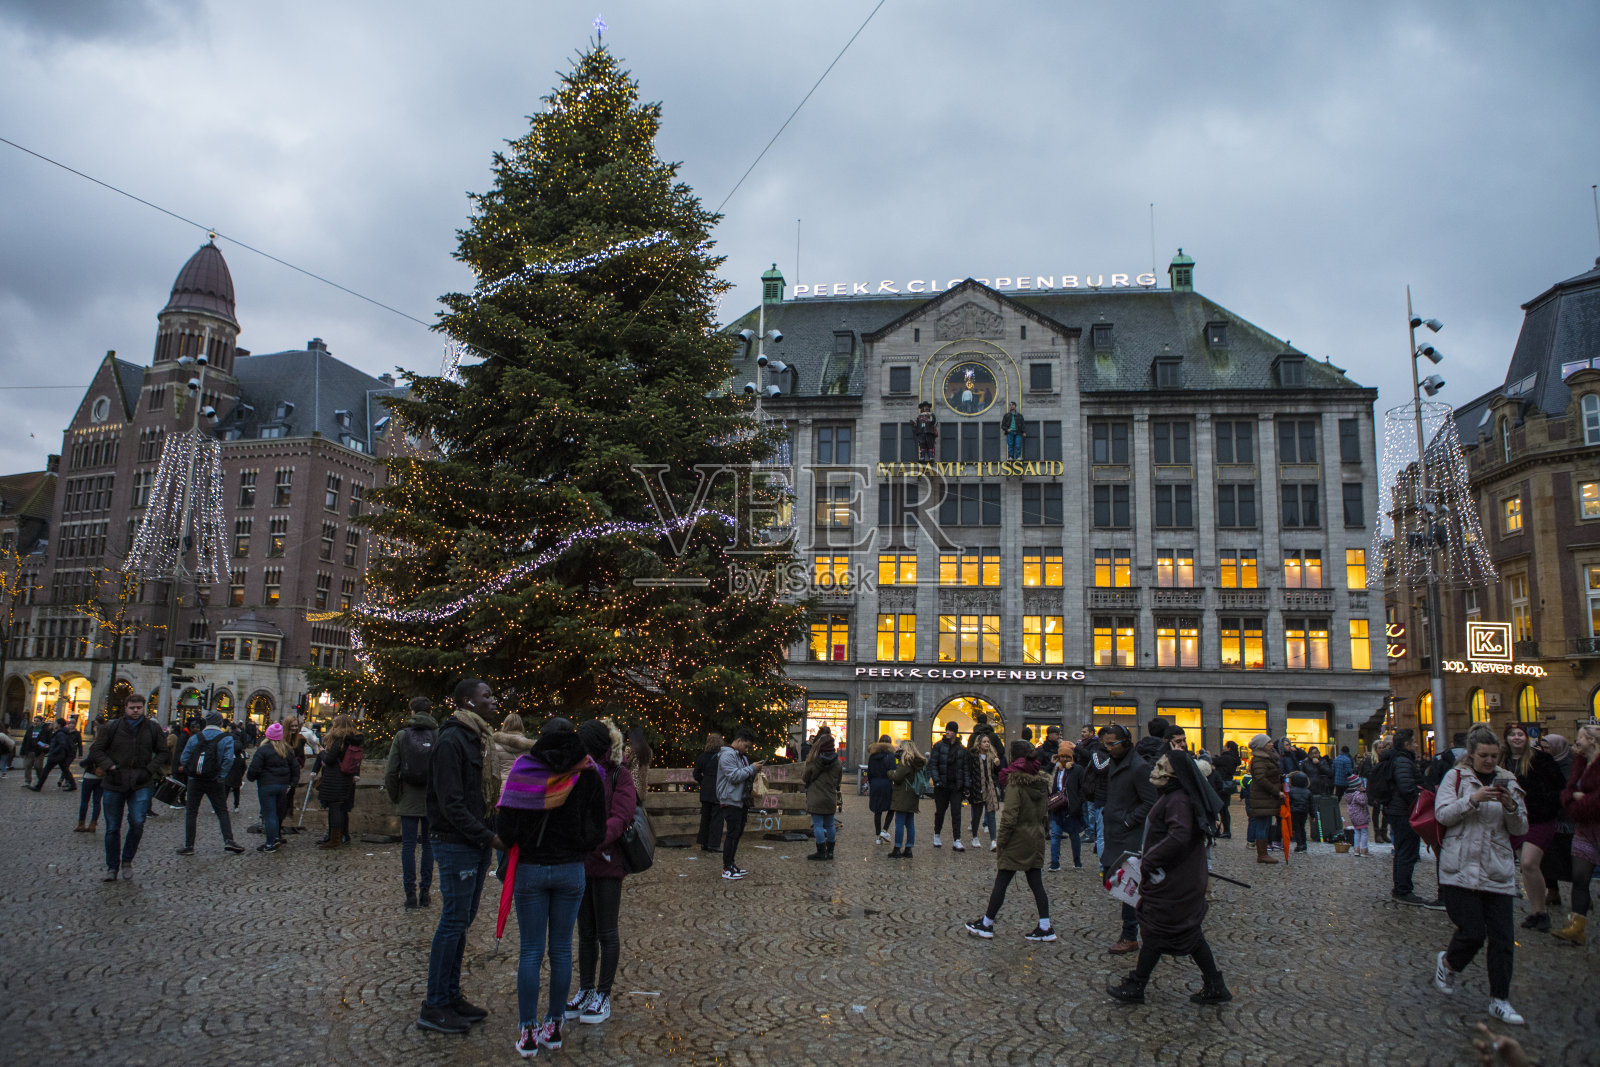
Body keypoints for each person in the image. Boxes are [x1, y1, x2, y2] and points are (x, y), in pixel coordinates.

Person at [498, 717, 606, 1055]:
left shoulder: (524, 768)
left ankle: (528, 1032)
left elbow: (505, 829)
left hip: (531, 868)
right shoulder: (587, 772)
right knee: (561, 951)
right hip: (571, 870)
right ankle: (554, 1026)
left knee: (531, 951)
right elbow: (598, 828)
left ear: (540, 739)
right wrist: (579, 844)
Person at [1107, 748, 1231, 1005]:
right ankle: (1213, 984)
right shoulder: (1173, 796)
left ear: (1177, 775)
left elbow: (1179, 835)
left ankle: (1137, 984)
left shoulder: (1178, 800)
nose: (1156, 772)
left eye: (1163, 768)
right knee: (1176, 930)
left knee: (1159, 927)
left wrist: (1151, 859)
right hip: (1175, 876)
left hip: (1173, 878)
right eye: (1157, 766)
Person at [417, 678, 504, 1035]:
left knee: (462, 922)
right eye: (487, 696)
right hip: (455, 842)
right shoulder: (452, 740)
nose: (494, 700)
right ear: (468, 702)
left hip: (475, 842)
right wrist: (488, 836)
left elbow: (480, 795)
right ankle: (434, 1004)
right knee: (452, 922)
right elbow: (451, 802)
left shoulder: (478, 739)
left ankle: (451, 996)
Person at [1432, 724, 1528, 1026]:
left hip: (1496, 868)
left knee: (1502, 939)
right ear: (1471, 754)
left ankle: (1500, 1000)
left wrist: (1510, 806)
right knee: (1473, 932)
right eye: (1483, 755)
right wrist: (1473, 800)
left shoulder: (1509, 782)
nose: (1489, 761)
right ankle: (1448, 962)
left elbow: (1521, 828)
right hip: (1458, 867)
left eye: (1493, 756)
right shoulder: (1456, 777)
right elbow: (1443, 814)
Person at [566, 718, 636, 1027]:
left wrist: (592, 838)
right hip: (581, 861)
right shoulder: (579, 771)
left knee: (607, 932)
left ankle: (603, 994)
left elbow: (621, 817)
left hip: (607, 861)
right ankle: (585, 989)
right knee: (585, 933)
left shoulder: (619, 775)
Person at [966, 740, 1054, 940]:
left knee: (1002, 880)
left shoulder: (1016, 782)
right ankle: (1045, 926)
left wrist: (1001, 841)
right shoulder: (1041, 782)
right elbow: (1044, 814)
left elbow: (1009, 817)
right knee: (1036, 882)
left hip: (1017, 839)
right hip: (1035, 837)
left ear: (1014, 757)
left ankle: (987, 924)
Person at [87, 694, 167, 881]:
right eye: (132, 707)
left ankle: (127, 861)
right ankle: (112, 866)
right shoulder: (111, 728)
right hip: (114, 781)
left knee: (138, 822)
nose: (136, 711)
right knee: (112, 827)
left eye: (139, 707)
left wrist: (149, 770)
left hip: (141, 781)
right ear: (126, 708)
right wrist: (109, 766)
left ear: (144, 708)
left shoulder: (152, 728)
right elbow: (96, 750)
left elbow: (163, 752)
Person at [1501, 722, 1565, 932]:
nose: (1517, 738)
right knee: (1527, 867)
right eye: (1512, 735)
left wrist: (1547, 804)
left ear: (1527, 738)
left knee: (1529, 863)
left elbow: (1558, 785)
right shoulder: (1502, 761)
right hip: (1515, 819)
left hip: (1539, 819)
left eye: (1520, 734)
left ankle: (1542, 912)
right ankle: (1537, 911)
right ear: (1507, 738)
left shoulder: (1540, 759)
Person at [1101, 722, 1158, 954]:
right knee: (1113, 878)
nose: (1107, 749)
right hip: (1115, 832)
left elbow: (1150, 801)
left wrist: (1128, 820)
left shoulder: (1138, 767)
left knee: (1129, 886)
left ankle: (1130, 935)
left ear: (1125, 744)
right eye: (1105, 744)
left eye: (1111, 744)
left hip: (1129, 836)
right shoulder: (1116, 763)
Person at [385, 697, 438, 906]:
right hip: (431, 799)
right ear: (430, 712)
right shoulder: (438, 735)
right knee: (428, 845)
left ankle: (410, 894)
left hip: (408, 797)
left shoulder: (401, 735)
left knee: (408, 846)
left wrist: (396, 795)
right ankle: (425, 892)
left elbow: (391, 771)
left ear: (413, 713)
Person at [1552, 723, 1600, 947]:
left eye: (1579, 737)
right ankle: (1577, 927)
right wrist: (1576, 799)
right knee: (1579, 878)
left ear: (1592, 740)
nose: (1576, 742)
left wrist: (1582, 800)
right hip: (1584, 828)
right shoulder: (1579, 763)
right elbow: (1568, 792)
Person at [176, 711, 244, 855]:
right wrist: (221, 775)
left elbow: (184, 758)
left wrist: (191, 771)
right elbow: (228, 759)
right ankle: (228, 840)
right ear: (220, 723)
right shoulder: (226, 738)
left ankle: (189, 845)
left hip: (195, 780)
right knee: (221, 811)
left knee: (191, 812)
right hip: (215, 780)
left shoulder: (196, 737)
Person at [1384, 728, 1429, 905]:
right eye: (1414, 742)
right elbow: (1406, 787)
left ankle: (1401, 887)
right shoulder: (1402, 761)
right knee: (1406, 851)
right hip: (1403, 811)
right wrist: (1419, 798)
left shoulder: (1398, 758)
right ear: (1406, 744)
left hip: (1399, 810)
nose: (1417, 745)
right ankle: (1403, 889)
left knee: (1403, 850)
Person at [714, 727, 764, 880]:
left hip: (740, 800)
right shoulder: (727, 756)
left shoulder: (741, 756)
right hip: (730, 800)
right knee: (732, 833)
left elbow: (743, 774)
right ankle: (726, 867)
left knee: (737, 833)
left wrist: (753, 770)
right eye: (746, 745)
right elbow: (734, 776)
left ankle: (732, 864)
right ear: (739, 740)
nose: (747, 749)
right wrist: (751, 768)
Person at [247, 721, 299, 853]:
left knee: (270, 814)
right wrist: (291, 784)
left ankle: (270, 842)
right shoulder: (287, 750)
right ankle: (275, 837)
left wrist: (252, 777)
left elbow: (254, 770)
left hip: (267, 786)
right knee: (276, 814)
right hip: (282, 786)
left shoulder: (263, 750)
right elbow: (295, 768)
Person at [316, 714, 364, 850]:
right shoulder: (353, 739)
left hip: (335, 777)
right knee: (341, 808)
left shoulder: (339, 740)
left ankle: (335, 839)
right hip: (347, 777)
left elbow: (330, 759)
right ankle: (341, 836)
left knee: (335, 808)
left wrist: (322, 753)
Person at [802, 727, 842, 861]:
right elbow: (839, 780)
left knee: (818, 825)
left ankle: (821, 851)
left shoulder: (814, 760)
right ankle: (830, 852)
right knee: (830, 824)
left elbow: (805, 777)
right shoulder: (838, 762)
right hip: (830, 796)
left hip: (816, 796)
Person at [928, 721, 968, 851]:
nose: (948, 732)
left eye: (950, 730)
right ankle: (937, 834)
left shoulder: (962, 749)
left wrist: (966, 785)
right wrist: (937, 780)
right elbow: (933, 764)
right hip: (942, 785)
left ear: (955, 732)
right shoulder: (938, 746)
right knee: (940, 812)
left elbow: (965, 769)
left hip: (956, 786)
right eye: (947, 730)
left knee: (956, 812)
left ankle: (957, 839)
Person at [1048, 742, 1086, 871]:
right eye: (1061, 756)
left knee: (1074, 836)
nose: (1064, 759)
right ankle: (1054, 863)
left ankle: (1077, 861)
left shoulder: (1078, 770)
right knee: (1055, 835)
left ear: (1071, 757)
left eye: (1067, 756)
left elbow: (1083, 789)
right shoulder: (1056, 769)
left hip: (1072, 808)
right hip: (1057, 807)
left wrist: (1078, 803)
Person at [886, 739, 926, 859]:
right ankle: (908, 848)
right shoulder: (917, 761)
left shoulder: (905, 761)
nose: (898, 748)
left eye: (900, 746)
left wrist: (890, 773)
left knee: (899, 822)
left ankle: (897, 848)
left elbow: (897, 777)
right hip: (913, 794)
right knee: (910, 823)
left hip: (903, 794)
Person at [1246, 734, 1282, 864]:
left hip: (1266, 798)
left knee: (1266, 824)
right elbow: (1261, 779)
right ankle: (1262, 854)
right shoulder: (1259, 759)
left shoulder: (1267, 757)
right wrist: (1276, 791)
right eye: (1268, 742)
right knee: (1262, 825)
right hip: (1263, 797)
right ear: (1262, 745)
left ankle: (1264, 853)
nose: (1271, 744)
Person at [967, 733, 1001, 851]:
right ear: (979, 743)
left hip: (989, 789)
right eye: (984, 742)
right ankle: (975, 837)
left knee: (991, 814)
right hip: (976, 788)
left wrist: (997, 765)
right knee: (977, 814)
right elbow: (969, 771)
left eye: (988, 742)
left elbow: (997, 774)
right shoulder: (972, 756)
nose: (987, 744)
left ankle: (993, 840)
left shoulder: (993, 756)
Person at [692, 732, 724, 852]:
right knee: (717, 819)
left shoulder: (702, 757)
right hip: (718, 790)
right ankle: (714, 844)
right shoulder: (721, 757)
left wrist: (703, 781)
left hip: (705, 791)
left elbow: (696, 774)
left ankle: (703, 843)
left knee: (705, 818)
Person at [1079, 726, 1107, 856]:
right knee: (1088, 810)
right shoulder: (1085, 744)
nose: (1082, 734)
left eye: (1085, 732)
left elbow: (1098, 766)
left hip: (1097, 788)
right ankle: (1089, 831)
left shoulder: (1095, 748)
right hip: (1090, 785)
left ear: (1092, 733)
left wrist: (1077, 749)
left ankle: (1090, 833)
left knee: (1092, 812)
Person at [30, 717, 79, 791]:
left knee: (46, 771)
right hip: (59, 755)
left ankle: (38, 786)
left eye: (55, 723)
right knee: (65, 770)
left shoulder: (60, 734)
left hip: (56, 755)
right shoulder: (60, 733)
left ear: (59, 725)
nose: (54, 724)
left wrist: (54, 751)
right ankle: (73, 785)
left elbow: (62, 744)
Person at [866, 734, 895, 843]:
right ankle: (884, 829)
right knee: (891, 807)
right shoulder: (891, 756)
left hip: (875, 784)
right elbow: (893, 771)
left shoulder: (872, 756)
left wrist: (872, 783)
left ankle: (878, 836)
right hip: (886, 783)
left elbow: (869, 772)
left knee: (877, 811)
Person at [1211, 741, 1241, 839]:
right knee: (1224, 809)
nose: (1223, 747)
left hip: (1221, 785)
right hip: (1227, 785)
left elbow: (1213, 761)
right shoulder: (1233, 758)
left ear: (1228, 748)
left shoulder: (1226, 758)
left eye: (1225, 746)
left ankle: (1221, 830)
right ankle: (1225, 830)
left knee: (1220, 808)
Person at [74, 744, 105, 833]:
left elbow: (89, 760)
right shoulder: (109, 748)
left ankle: (81, 824)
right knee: (97, 802)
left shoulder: (96, 747)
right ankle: (93, 824)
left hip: (89, 776)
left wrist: (81, 764)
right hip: (101, 778)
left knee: (84, 801)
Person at [225, 717, 250, 810]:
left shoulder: (230, 756)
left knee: (226, 790)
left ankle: (224, 805)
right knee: (236, 791)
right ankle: (236, 806)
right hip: (237, 777)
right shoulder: (241, 757)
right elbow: (244, 767)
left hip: (229, 776)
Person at [21, 713, 52, 788]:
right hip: (29, 750)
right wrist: (22, 751)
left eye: (37, 721)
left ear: (41, 722)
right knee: (27, 765)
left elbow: (49, 741)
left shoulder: (45, 730)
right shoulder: (30, 729)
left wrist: (44, 748)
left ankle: (40, 779)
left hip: (39, 751)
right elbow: (25, 740)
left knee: (38, 766)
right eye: (34, 721)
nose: (35, 722)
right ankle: (27, 781)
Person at [1344, 776, 1371, 856]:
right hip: (1361, 817)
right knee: (1364, 832)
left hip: (1354, 818)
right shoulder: (1358, 794)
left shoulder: (1348, 794)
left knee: (1357, 833)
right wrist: (1364, 793)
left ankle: (1356, 849)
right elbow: (1364, 802)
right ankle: (1364, 849)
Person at [624, 727, 652, 801]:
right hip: (643, 788)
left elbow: (623, 763)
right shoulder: (647, 750)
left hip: (631, 787)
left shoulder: (630, 748)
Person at [1287, 770, 1312, 853]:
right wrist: (1313, 815)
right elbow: (1311, 804)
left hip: (1294, 812)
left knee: (1296, 829)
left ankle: (1299, 844)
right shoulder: (1308, 792)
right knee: (1302, 828)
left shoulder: (1291, 791)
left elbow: (1288, 802)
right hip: (1304, 812)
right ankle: (1304, 844)